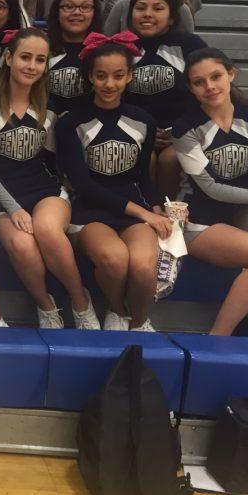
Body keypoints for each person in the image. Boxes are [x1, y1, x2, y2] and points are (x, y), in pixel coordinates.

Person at [0, 28, 101, 329]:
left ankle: (81, 303)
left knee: (45, 228)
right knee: (22, 245)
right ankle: (47, 307)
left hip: (45, 191)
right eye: (25, 57)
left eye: (40, 59)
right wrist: (14, 208)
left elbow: (52, 160)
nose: (31, 65)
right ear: (8, 58)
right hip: (4, 197)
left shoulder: (50, 107)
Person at [56, 32, 171, 332]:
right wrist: (143, 212)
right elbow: (83, 184)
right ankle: (117, 310)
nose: (110, 84)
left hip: (133, 210)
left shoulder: (143, 120)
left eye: (118, 76)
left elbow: (143, 176)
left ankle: (140, 321)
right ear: (90, 77)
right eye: (102, 76)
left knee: (145, 267)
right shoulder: (71, 123)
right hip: (90, 211)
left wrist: (156, 207)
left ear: (130, 76)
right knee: (115, 260)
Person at [172, 48, 248, 335]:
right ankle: (218, 337)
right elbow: (210, 189)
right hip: (199, 221)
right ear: (191, 88)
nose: (209, 86)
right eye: (199, 82)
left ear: (231, 74)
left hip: (241, 214)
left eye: (216, 76)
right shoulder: (185, 129)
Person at [125, 0, 207, 197]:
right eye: (141, 8)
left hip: (183, 131)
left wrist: (179, 131)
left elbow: (206, 94)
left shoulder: (189, 45)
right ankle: (148, 210)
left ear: (171, 17)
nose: (147, 14)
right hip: (137, 132)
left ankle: (170, 216)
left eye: (158, 8)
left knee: (169, 159)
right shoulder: (122, 49)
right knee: (146, 157)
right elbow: (116, 100)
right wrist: (146, 133)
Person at [45, 0, 103, 115]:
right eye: (69, 6)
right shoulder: (41, 48)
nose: (77, 12)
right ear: (57, 11)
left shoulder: (104, 51)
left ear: (94, 13)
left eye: (85, 7)